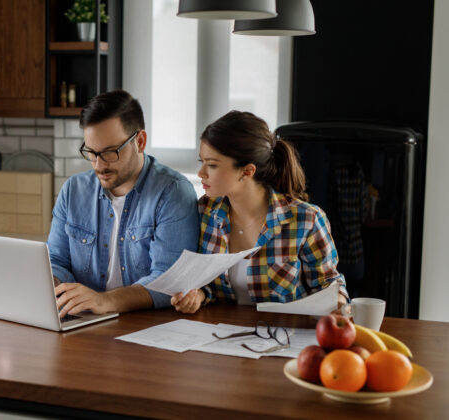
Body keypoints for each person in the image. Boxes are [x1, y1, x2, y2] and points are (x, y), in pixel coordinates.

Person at [171, 110, 348, 314]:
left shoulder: (306, 220)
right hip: (219, 335)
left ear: (247, 171)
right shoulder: (204, 212)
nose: (201, 173)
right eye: (202, 162)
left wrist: (339, 301)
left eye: (212, 165)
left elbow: (328, 285)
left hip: (284, 336)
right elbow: (205, 282)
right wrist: (199, 295)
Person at [49, 90, 199, 318]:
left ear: (139, 141)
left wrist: (103, 300)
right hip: (81, 323)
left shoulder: (173, 192)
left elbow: (168, 280)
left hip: (144, 328)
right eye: (91, 152)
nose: (98, 165)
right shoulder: (73, 190)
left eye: (110, 152)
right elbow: (57, 260)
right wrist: (50, 280)